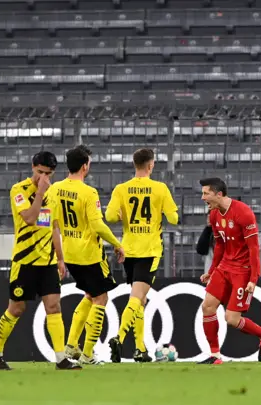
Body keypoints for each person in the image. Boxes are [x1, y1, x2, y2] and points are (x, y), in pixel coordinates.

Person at [0, 151, 81, 371]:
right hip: (25, 262)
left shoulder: (54, 194)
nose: (44, 178)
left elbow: (55, 226)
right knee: (16, 309)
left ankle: (61, 359)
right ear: (33, 168)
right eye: (40, 172)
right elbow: (29, 218)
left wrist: (60, 258)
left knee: (54, 306)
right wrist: (39, 193)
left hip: (47, 262)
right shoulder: (18, 190)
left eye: (48, 174)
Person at [105, 148, 179, 363]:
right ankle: (118, 339)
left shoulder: (122, 189)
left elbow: (109, 216)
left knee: (141, 299)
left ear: (134, 165)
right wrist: (166, 212)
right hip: (149, 250)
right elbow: (173, 219)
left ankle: (140, 348)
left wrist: (121, 215)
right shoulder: (159, 188)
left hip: (128, 249)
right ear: (151, 165)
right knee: (136, 298)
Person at [53, 145, 125, 365]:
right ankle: (87, 353)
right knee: (101, 299)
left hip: (69, 252)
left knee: (89, 296)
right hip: (90, 254)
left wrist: (58, 255)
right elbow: (97, 225)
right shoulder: (88, 192)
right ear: (85, 166)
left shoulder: (55, 188)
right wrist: (117, 243)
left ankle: (71, 346)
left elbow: (52, 222)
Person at [198, 177, 261, 364]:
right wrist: (212, 270)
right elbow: (219, 246)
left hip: (243, 270)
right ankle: (215, 356)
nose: (202, 198)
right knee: (207, 307)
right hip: (224, 267)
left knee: (231, 319)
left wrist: (253, 279)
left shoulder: (243, 213)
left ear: (219, 194)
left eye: (206, 193)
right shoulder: (214, 215)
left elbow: (254, 248)